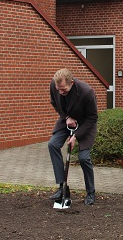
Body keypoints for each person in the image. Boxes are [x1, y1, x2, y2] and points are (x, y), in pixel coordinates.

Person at [48, 68, 98, 205]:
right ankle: (62, 187)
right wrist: (67, 117)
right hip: (67, 120)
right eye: (58, 89)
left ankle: (90, 193)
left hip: (85, 124)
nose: (60, 92)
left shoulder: (86, 92)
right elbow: (54, 103)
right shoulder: (54, 85)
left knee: (84, 158)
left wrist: (75, 136)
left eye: (63, 89)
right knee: (53, 144)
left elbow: (93, 117)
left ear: (72, 83)